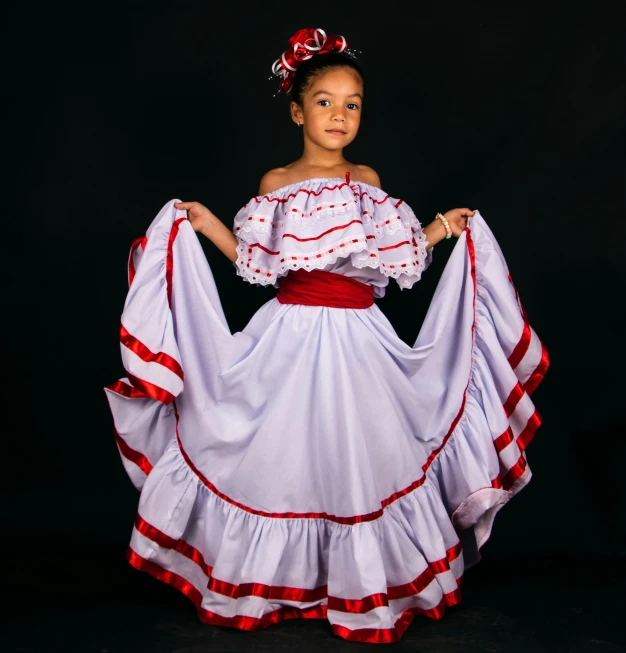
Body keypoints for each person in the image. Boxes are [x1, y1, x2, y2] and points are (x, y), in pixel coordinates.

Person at [105, 28, 549, 644]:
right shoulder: (276, 183)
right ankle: (274, 579)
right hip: (289, 333)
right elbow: (258, 266)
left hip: (360, 337)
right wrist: (206, 226)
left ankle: (357, 583)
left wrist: (443, 228)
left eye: (352, 104)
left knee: (359, 455)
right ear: (297, 110)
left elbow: (392, 260)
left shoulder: (366, 179)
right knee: (284, 455)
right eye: (324, 102)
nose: (339, 115)